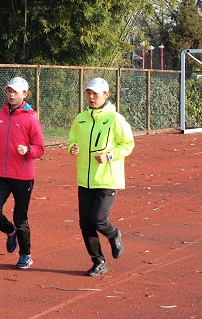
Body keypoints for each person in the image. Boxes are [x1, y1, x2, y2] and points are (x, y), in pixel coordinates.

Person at [68, 78, 134, 276]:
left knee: (97, 219)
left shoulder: (115, 119)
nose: (91, 97)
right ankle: (98, 261)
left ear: (106, 95)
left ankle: (114, 234)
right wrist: (72, 147)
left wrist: (110, 156)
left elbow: (128, 144)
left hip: (107, 179)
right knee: (84, 223)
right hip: (85, 179)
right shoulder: (80, 118)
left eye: (95, 94)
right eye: (88, 93)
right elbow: (71, 139)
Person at [0, 76, 45, 269]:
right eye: (9, 91)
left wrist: (27, 150)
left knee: (21, 218)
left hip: (23, 177)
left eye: (16, 92)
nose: (11, 95)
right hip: (0, 175)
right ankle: (10, 231)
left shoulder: (31, 119)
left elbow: (40, 149)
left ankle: (25, 255)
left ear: (25, 94)